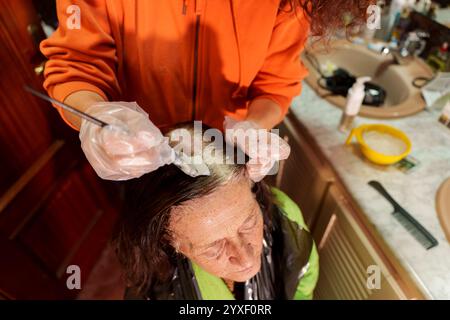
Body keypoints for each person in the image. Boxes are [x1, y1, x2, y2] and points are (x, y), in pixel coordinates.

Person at [40, 0, 373, 181]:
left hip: (225, 155)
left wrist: (253, 126)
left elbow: (275, 84)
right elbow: (77, 65)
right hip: (138, 153)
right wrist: (97, 116)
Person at [114, 124, 319, 299]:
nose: (246, 258)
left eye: (249, 223)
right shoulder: (156, 290)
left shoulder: (285, 216)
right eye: (213, 247)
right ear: (168, 240)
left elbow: (304, 282)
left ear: (252, 188)